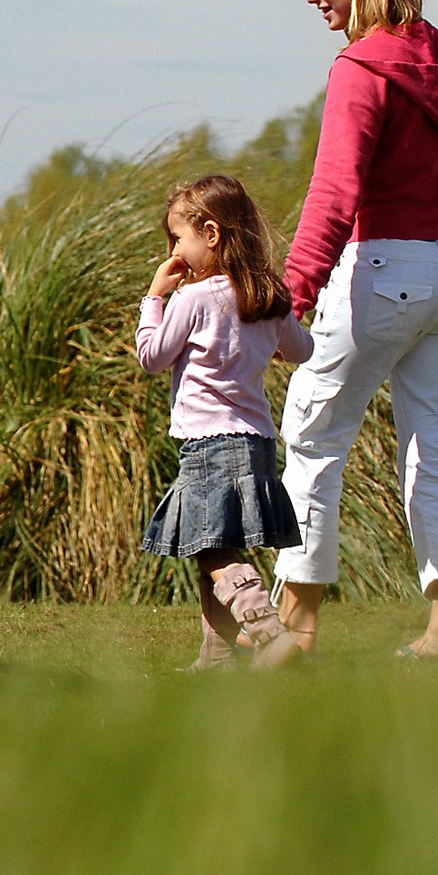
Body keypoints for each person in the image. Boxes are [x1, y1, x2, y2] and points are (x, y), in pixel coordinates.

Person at [276, 0, 438, 658]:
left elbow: (336, 189)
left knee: (311, 435)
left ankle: (295, 639)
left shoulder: (361, 68)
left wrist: (291, 293)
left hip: (385, 270)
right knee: (437, 452)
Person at [137, 175, 314, 670]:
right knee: (216, 545)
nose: (174, 250)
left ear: (210, 235)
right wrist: (269, 336)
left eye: (179, 238)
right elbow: (302, 349)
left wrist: (155, 297)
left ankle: (268, 632)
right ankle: (216, 659)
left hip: (209, 445)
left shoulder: (192, 300)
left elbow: (151, 356)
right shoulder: (267, 295)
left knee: (212, 549)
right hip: (256, 443)